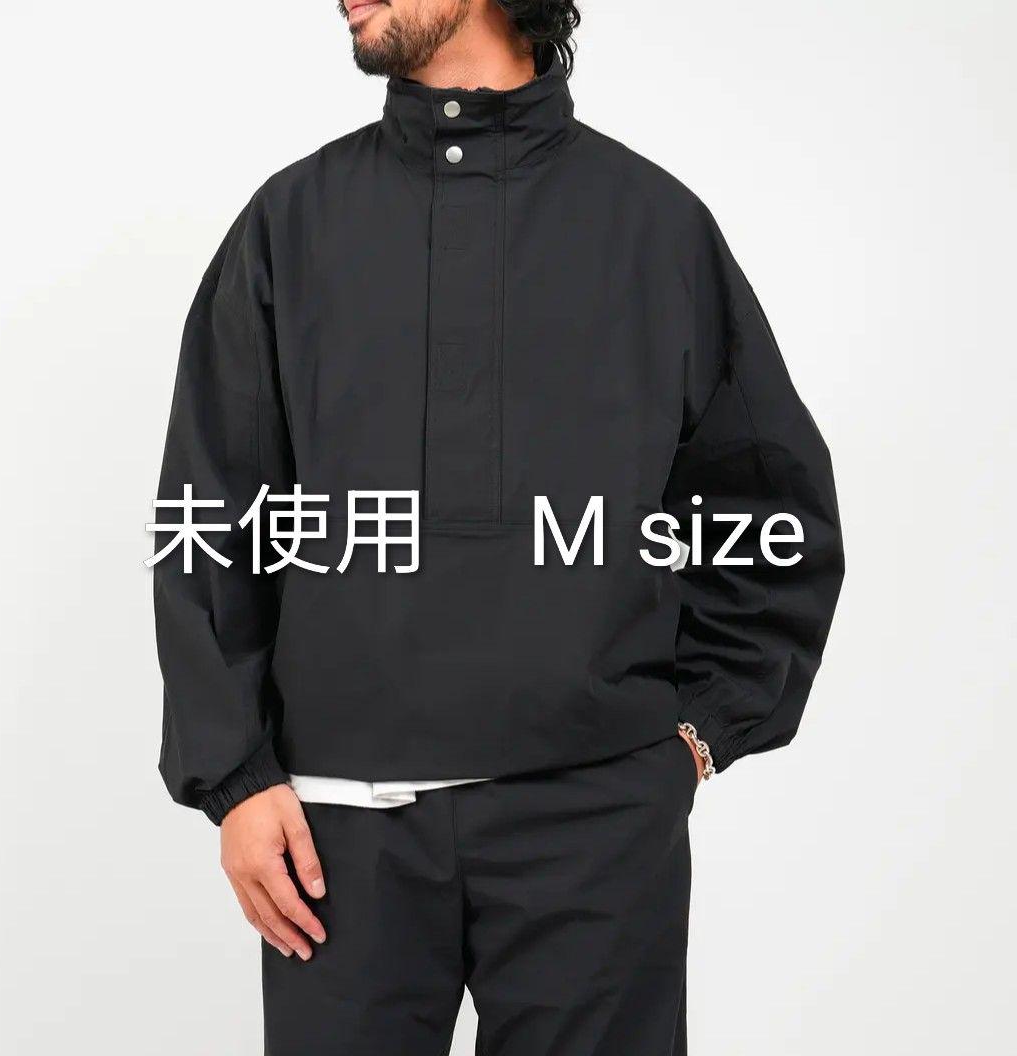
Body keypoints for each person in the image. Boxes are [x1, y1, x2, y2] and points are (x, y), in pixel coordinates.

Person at [151, 2, 844, 1052]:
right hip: (339, 841)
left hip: (596, 828)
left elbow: (772, 512)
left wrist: (698, 733)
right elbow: (211, 514)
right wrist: (235, 781)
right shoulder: (291, 225)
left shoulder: (652, 227)